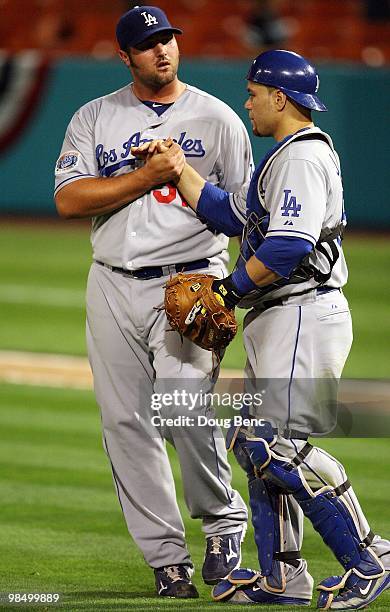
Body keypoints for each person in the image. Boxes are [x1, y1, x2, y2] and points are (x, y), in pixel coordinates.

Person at [134, 49, 390, 608]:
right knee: (254, 449)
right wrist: (181, 171)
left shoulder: (300, 158)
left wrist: (227, 289)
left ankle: (370, 557)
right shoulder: (286, 157)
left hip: (301, 312)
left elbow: (289, 245)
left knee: (273, 445)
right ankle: (283, 578)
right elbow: (235, 216)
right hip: (282, 315)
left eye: (253, 93)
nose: (246, 101)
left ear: (279, 97)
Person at [54, 5, 252, 599]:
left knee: (183, 408)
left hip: (190, 282)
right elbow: (69, 199)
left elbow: (244, 214)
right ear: (126, 56)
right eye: (147, 44)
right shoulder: (93, 118)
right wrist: (147, 175)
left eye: (167, 39)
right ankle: (167, 561)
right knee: (125, 422)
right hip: (112, 280)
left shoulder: (217, 120)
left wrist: (237, 288)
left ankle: (222, 527)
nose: (161, 50)